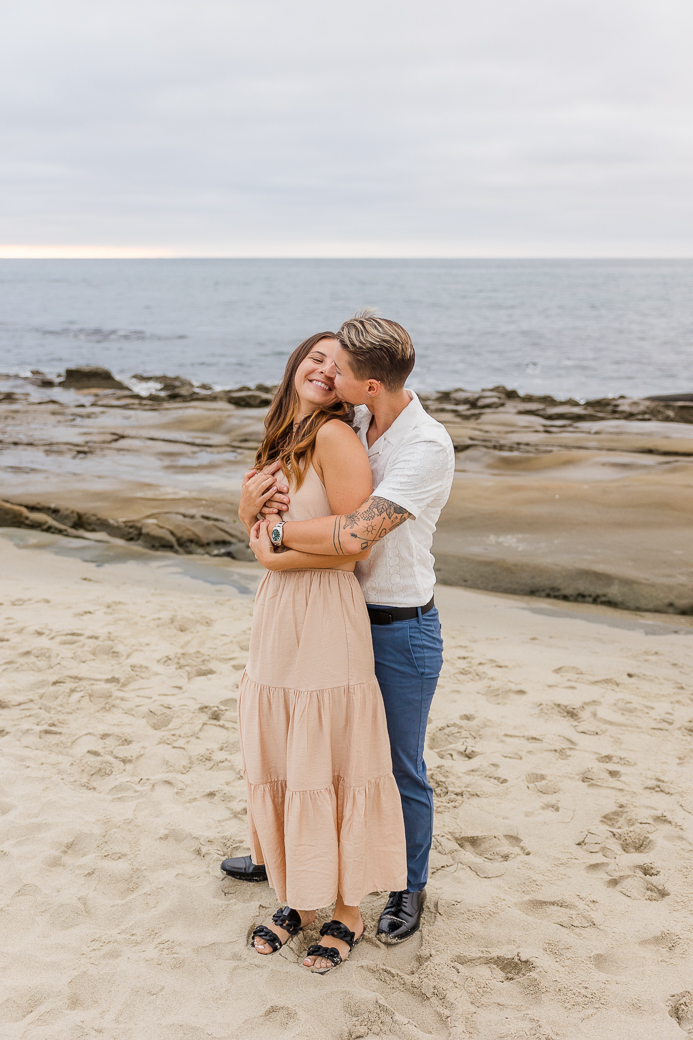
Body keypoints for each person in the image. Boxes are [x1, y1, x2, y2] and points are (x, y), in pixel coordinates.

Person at [226, 313, 455, 944]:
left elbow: (354, 535)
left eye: (342, 367)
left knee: (393, 764)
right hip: (330, 611)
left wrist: (267, 533)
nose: (331, 373)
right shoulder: (352, 419)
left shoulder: (424, 448)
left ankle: (407, 886)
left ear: (369, 385)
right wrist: (250, 507)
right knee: (306, 745)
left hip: (397, 623)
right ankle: (293, 859)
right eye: (320, 360)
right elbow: (297, 497)